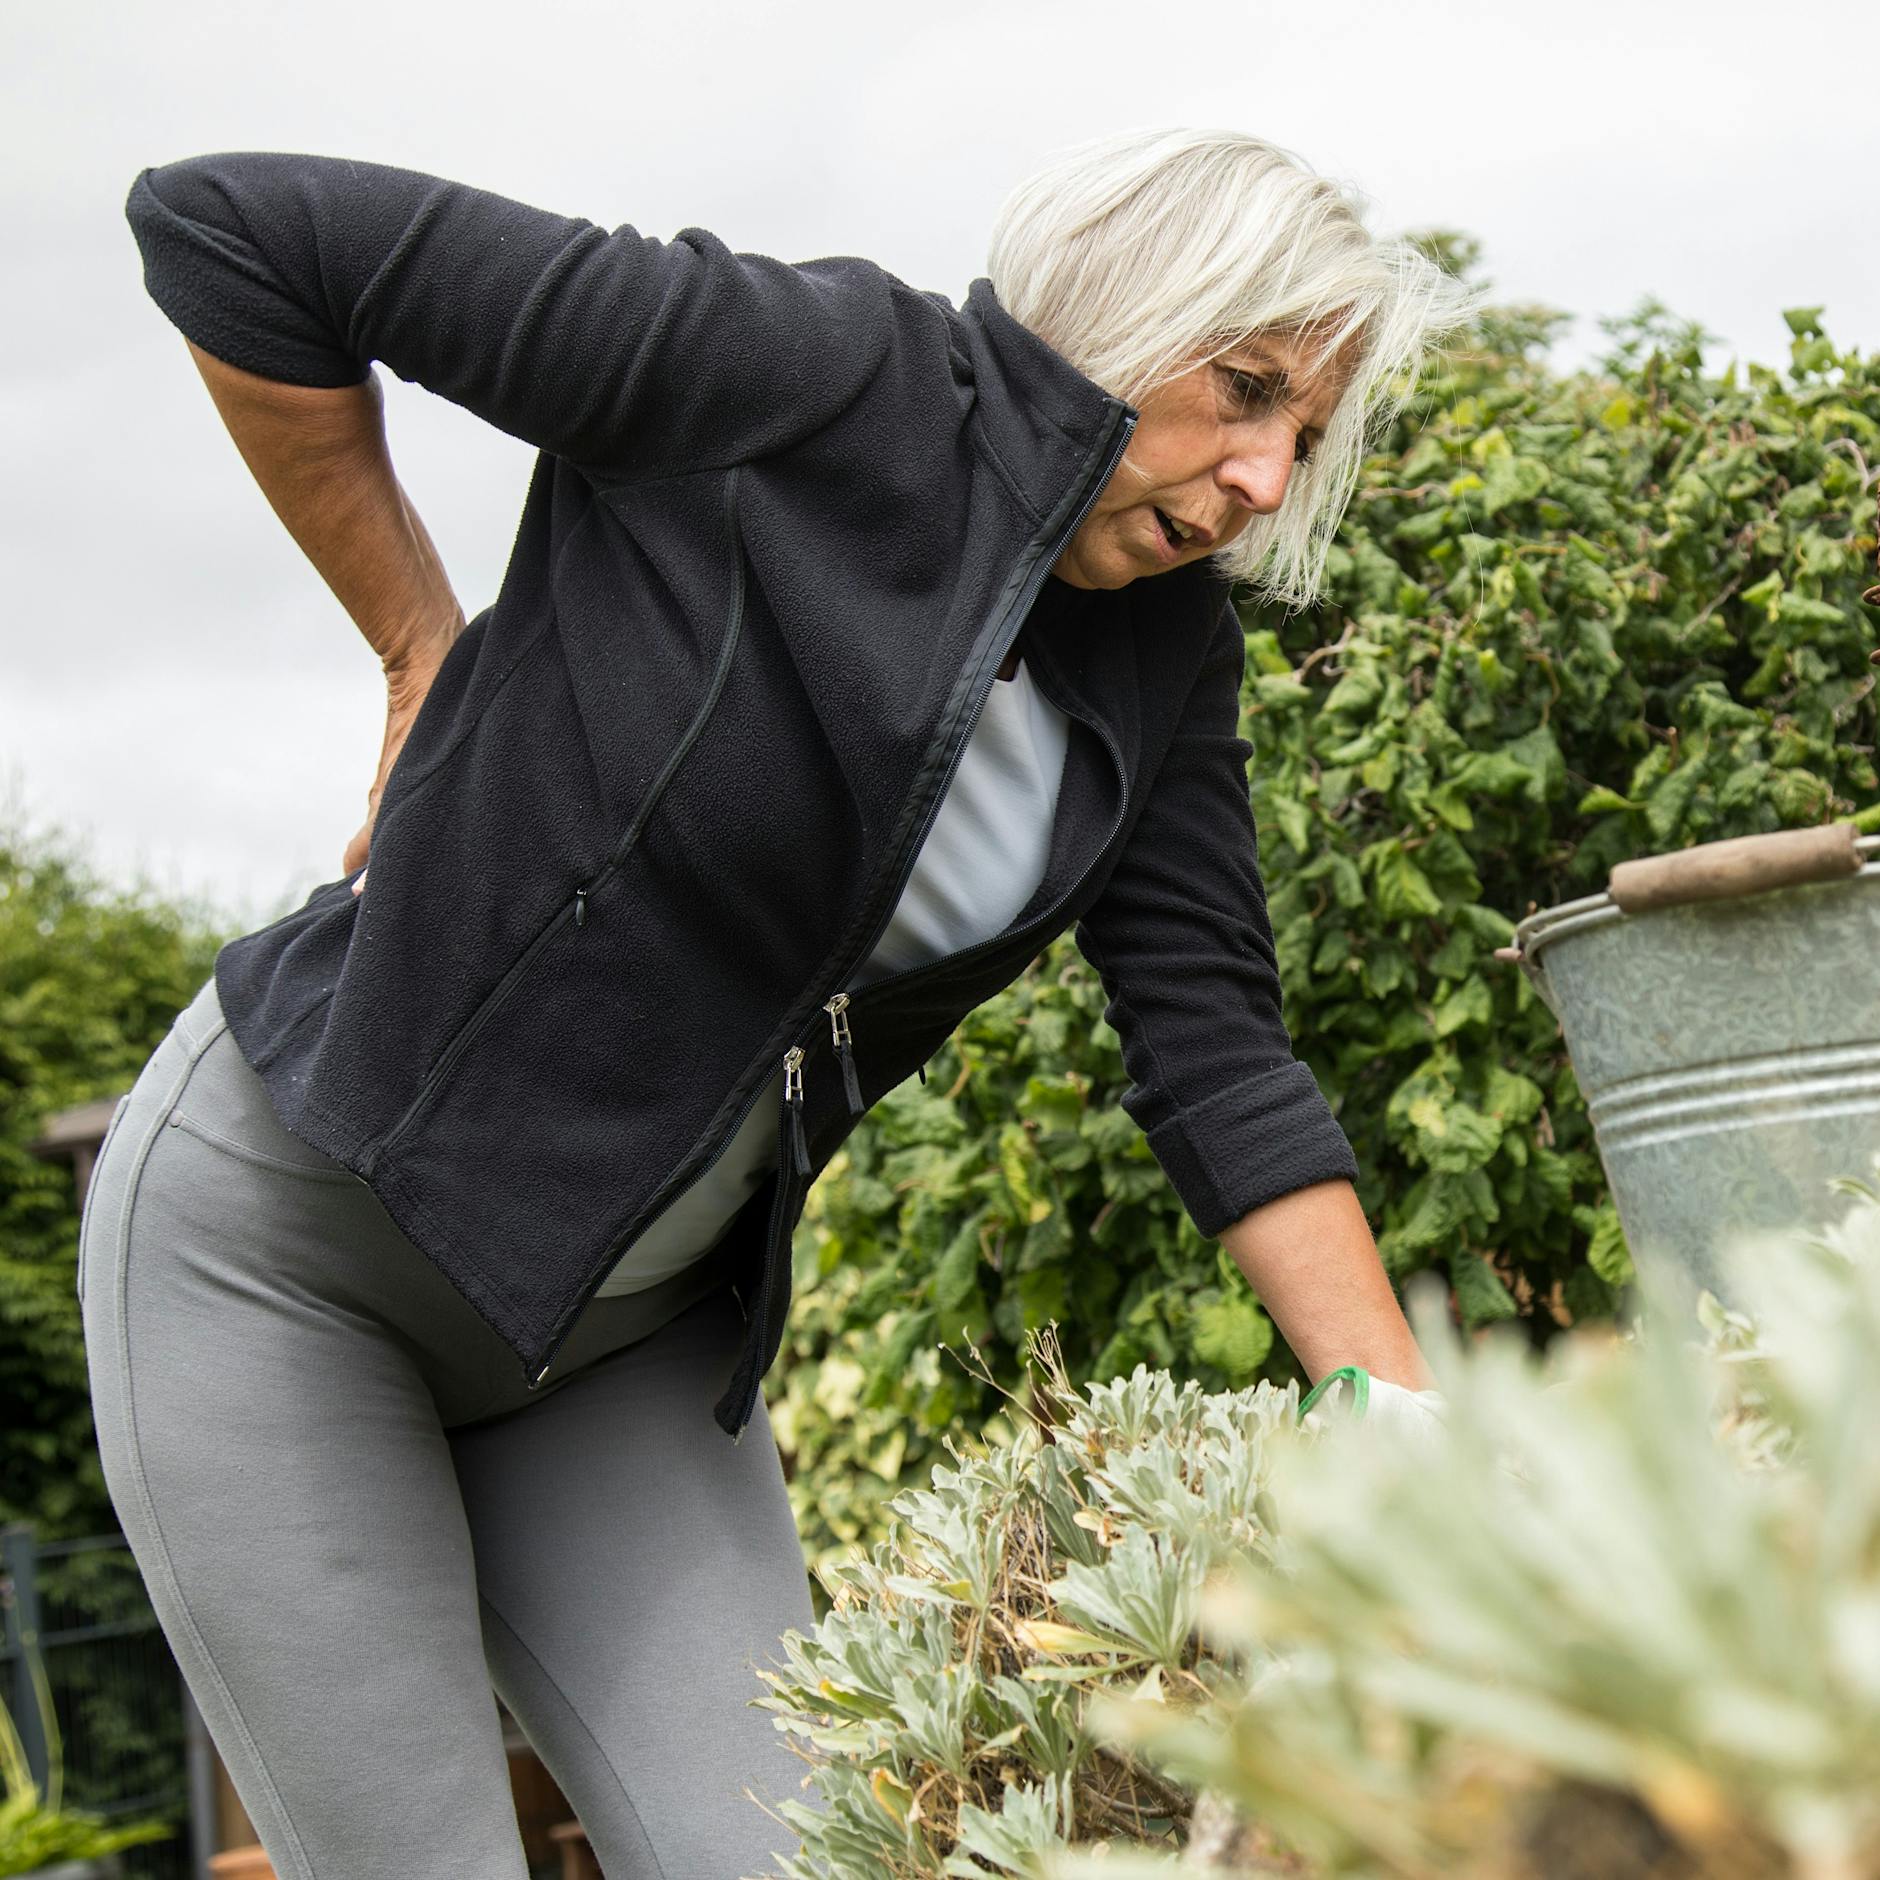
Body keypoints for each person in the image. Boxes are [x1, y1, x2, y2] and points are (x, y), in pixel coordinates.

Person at [84, 127, 1467, 1879]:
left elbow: (1214, 1043)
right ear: (1127, 310)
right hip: (284, 1263)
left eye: (1308, 438)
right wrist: (420, 643)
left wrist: (1407, 1432)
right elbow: (231, 232)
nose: (1268, 477)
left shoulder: (1163, 650)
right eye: (1248, 388)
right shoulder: (799, 377)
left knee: (803, 1856)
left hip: (622, 1345)